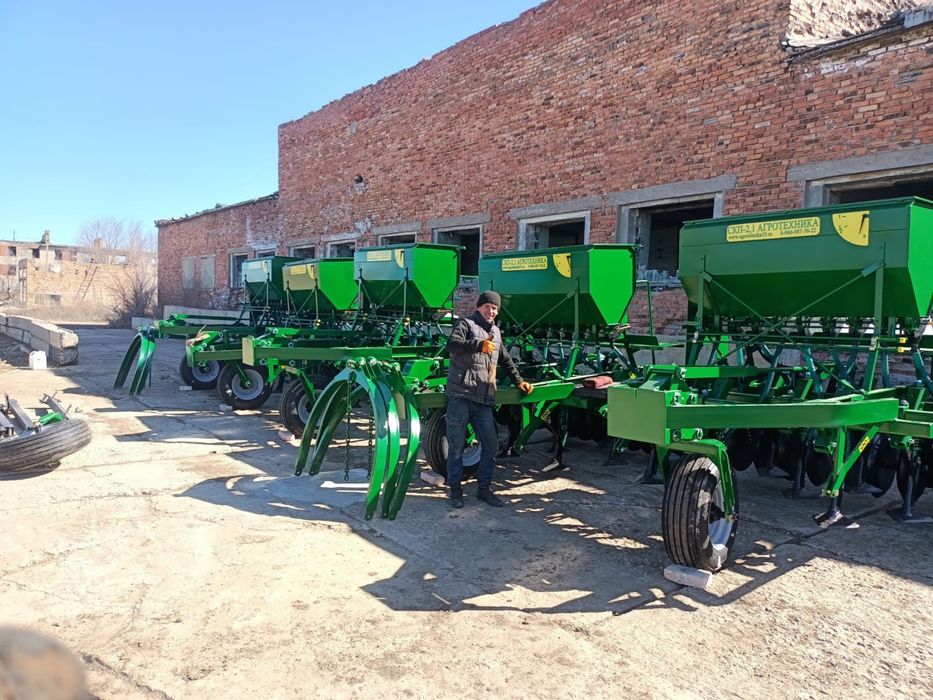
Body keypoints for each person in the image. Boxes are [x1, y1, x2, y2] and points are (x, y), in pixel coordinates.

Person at [445, 290, 533, 508]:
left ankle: (483, 489)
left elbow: (506, 359)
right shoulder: (465, 324)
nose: (491, 311)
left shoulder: (496, 332)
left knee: (491, 445)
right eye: (488, 307)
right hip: (461, 395)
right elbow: (452, 344)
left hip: (483, 398)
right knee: (456, 445)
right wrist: (478, 344)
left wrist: (519, 381)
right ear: (479, 307)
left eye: (495, 308)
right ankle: (455, 490)